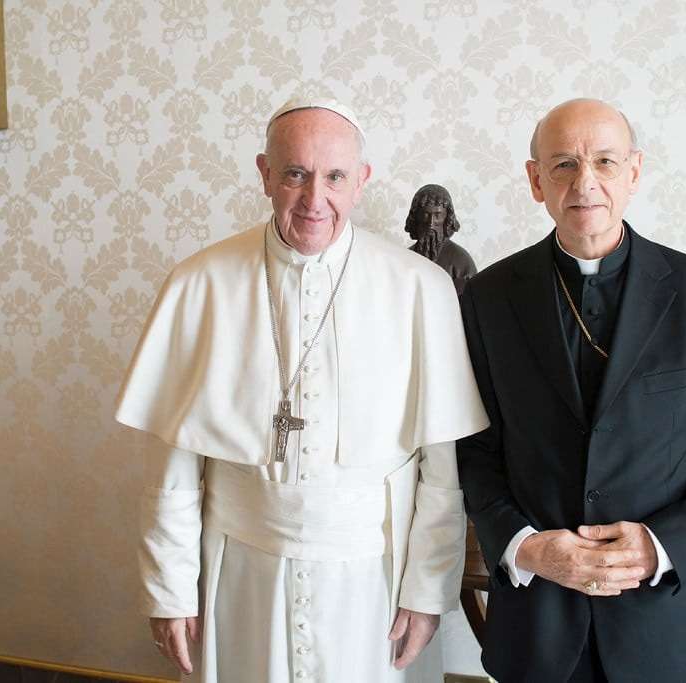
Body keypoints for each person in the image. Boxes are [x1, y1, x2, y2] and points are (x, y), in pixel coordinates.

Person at [116, 98, 488, 683]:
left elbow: (441, 471)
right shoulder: (201, 282)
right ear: (265, 174)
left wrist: (428, 591)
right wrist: (169, 590)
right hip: (239, 573)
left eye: (335, 176)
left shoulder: (422, 288)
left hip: (373, 582)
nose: (316, 199)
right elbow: (174, 465)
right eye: (295, 174)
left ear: (361, 181)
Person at [456, 98, 686, 682]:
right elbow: (474, 452)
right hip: (538, 625)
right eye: (563, 164)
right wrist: (525, 547)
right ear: (535, 180)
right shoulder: (487, 298)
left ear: (634, 172)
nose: (585, 183)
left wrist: (661, 545)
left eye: (604, 161)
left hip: (666, 627)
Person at [404, 184, 477, 295]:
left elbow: (471, 300)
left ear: (447, 217)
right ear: (416, 216)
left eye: (437, 215)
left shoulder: (460, 261)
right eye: (425, 214)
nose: (431, 223)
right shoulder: (405, 258)